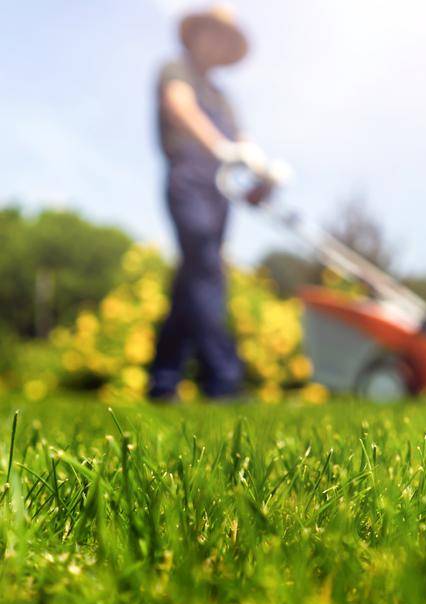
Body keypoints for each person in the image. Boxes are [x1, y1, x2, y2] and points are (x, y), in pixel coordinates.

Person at [148, 5, 275, 401]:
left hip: (220, 188)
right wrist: (219, 147)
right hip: (189, 177)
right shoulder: (176, 70)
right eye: (214, 34)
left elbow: (243, 140)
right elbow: (180, 107)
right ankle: (222, 380)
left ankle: (163, 380)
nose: (219, 44)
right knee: (207, 270)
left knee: (193, 278)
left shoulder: (222, 96)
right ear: (197, 35)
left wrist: (260, 169)